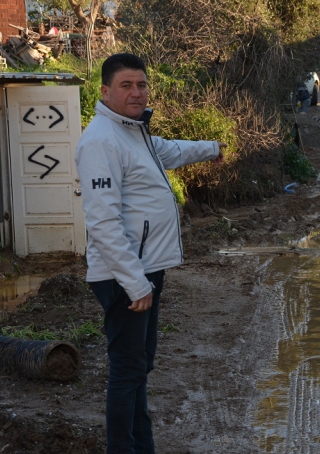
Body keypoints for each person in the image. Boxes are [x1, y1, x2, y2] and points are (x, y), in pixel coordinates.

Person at [74, 53, 225, 454]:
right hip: (124, 275)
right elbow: (103, 223)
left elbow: (169, 151)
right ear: (105, 91)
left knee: (140, 367)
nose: (137, 93)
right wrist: (135, 282)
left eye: (141, 85)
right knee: (127, 371)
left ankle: (142, 447)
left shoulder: (132, 133)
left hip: (145, 270)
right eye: (126, 86)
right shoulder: (100, 142)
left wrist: (211, 148)